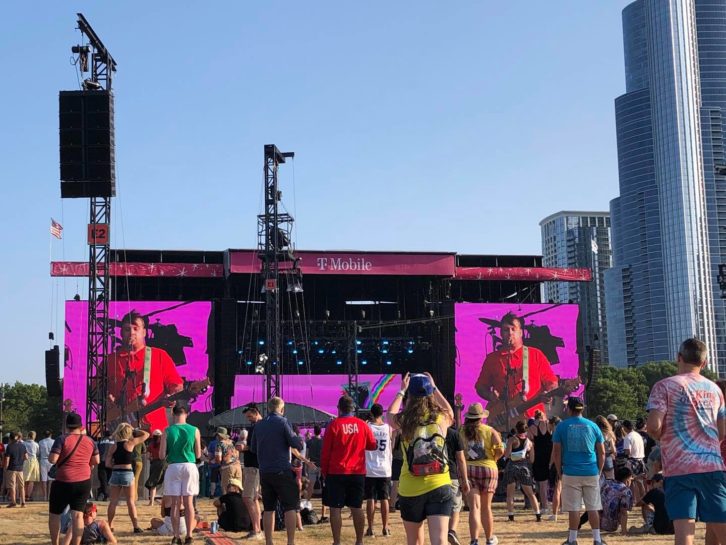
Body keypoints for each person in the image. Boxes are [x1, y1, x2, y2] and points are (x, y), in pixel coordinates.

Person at [646, 337, 726, 545]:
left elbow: (653, 426)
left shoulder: (664, 386)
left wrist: (661, 438)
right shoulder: (716, 390)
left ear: (679, 358)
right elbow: (722, 432)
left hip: (679, 467)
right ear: (704, 363)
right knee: (720, 525)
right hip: (711, 465)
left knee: (684, 531)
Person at [388, 372, 454, 545]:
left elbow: (390, 414)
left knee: (414, 541)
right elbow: (450, 412)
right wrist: (435, 387)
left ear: (411, 394)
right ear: (429, 393)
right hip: (439, 482)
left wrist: (401, 391)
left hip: (410, 487)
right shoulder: (441, 418)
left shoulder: (404, 421)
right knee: (440, 540)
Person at [474, 313, 558, 426]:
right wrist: (490, 396)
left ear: (521, 332)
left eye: (513, 329)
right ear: (501, 333)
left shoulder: (535, 355)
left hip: (532, 419)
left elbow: (552, 382)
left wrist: (548, 392)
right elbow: (480, 387)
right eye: (506, 330)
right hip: (502, 419)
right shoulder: (492, 359)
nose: (510, 333)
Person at [106, 310, 184, 432]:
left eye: (135, 328)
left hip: (154, 428)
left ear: (144, 332)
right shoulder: (110, 360)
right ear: (121, 333)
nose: (131, 332)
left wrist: (173, 394)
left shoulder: (159, 356)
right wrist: (107, 399)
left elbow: (176, 385)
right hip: (120, 430)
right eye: (127, 329)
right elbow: (95, 391)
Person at [321, 395, 377, 545]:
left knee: (335, 508)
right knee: (357, 507)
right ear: (353, 409)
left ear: (339, 409)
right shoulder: (363, 425)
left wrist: (325, 472)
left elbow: (326, 452)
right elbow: (373, 445)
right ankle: (359, 541)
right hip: (357, 472)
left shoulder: (333, 425)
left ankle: (337, 542)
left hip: (336, 471)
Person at [249, 396, 304, 545]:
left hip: (265, 472)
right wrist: (300, 440)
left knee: (268, 509)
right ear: (282, 409)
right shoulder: (283, 422)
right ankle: (290, 542)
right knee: (290, 507)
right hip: (282, 470)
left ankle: (269, 542)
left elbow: (253, 448)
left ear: (268, 408)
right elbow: (295, 443)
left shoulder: (259, 425)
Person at [552, 397, 606, 545]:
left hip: (570, 472)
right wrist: (599, 470)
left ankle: (573, 540)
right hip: (591, 470)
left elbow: (556, 453)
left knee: (573, 508)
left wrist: (559, 471)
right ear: (582, 409)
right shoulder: (593, 426)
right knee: (593, 507)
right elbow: (602, 452)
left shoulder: (561, 426)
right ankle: (597, 539)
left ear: (569, 409)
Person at [48, 412, 100, 545]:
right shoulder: (90, 441)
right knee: (77, 515)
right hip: (83, 482)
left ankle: (55, 543)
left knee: (55, 514)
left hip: (63, 481)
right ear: (81, 426)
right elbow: (96, 460)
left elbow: (52, 459)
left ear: (67, 426)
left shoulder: (61, 439)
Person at [460, 402, 503, 545]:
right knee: (486, 507)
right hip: (488, 469)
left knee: (474, 508)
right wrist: (494, 459)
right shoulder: (490, 430)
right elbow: (500, 450)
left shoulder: (461, 431)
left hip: (469, 469)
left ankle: (474, 540)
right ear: (481, 417)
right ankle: (490, 538)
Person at [161, 403, 202, 545]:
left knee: (175, 504)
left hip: (173, 467)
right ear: (187, 414)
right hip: (189, 465)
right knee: (188, 503)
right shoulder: (195, 430)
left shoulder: (167, 431)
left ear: (173, 413)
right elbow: (198, 454)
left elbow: (161, 455)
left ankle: (176, 536)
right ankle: (189, 536)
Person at [105, 423, 149, 533]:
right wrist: (134, 429)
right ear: (128, 433)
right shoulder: (130, 443)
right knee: (130, 501)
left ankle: (110, 525)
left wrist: (115, 466)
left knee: (113, 501)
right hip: (127, 473)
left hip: (115, 473)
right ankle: (135, 526)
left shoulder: (113, 446)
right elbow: (146, 434)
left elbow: (107, 464)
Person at [364, 403, 394, 538]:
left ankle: (370, 528)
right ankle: (385, 527)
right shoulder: (388, 428)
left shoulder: (368, 427)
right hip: (384, 468)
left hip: (370, 467)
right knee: (384, 499)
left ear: (371, 413)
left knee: (370, 498)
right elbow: (391, 446)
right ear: (382, 413)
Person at [579, 465, 633, 535]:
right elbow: (623, 512)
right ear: (627, 479)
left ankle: (579, 523)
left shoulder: (606, 484)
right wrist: (624, 531)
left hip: (597, 522)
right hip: (611, 526)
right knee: (625, 509)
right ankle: (623, 530)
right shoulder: (625, 491)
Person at [504, 420, 541, 522]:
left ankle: (511, 516)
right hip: (524, 467)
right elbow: (532, 460)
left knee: (510, 494)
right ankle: (538, 514)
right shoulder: (529, 443)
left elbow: (507, 455)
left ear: (516, 429)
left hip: (512, 467)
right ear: (526, 429)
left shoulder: (512, 439)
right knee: (530, 493)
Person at [238, 403, 264, 540]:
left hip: (254, 466)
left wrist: (243, 447)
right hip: (253, 466)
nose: (248, 419)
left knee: (247, 498)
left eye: (249, 416)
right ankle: (257, 528)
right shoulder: (257, 426)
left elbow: (255, 447)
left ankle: (256, 530)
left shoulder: (258, 427)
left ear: (255, 412)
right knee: (253, 499)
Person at [445, 421, 470, 545]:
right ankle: (452, 531)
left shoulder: (430, 431)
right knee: (455, 506)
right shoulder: (454, 434)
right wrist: (465, 480)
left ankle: (441, 532)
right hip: (451, 474)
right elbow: (460, 459)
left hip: (433, 476)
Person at [529, 410, 553, 514]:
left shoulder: (531, 428)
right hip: (549, 456)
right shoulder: (548, 424)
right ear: (543, 415)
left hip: (538, 457)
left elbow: (530, 443)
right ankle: (556, 505)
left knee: (541, 484)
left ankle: (544, 506)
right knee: (555, 483)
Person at [4, 431, 28, 507]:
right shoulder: (22, 446)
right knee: (21, 486)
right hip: (20, 468)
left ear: (10, 438)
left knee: (12, 486)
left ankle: (13, 502)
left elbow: (7, 459)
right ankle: (23, 502)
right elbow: (26, 457)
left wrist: (5, 468)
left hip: (11, 468)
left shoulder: (9, 446)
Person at [215, 427, 241, 492]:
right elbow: (238, 454)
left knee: (226, 490)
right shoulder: (233, 442)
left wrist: (216, 462)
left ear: (219, 435)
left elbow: (218, 459)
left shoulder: (219, 444)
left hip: (227, 468)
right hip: (238, 467)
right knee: (237, 489)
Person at [145, 429, 165, 505]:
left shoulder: (151, 445)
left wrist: (152, 458)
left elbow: (148, 456)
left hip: (154, 464)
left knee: (153, 483)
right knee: (164, 482)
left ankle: (151, 502)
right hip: (163, 463)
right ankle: (165, 501)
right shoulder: (163, 444)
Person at [594, 416, 617, 480]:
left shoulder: (595, 433)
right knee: (610, 480)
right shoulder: (609, 433)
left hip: (596, 458)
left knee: (598, 481)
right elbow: (613, 449)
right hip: (607, 458)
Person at [95, 430, 113, 501]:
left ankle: (101, 492)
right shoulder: (113, 441)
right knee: (108, 480)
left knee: (103, 480)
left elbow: (97, 450)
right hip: (110, 463)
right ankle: (104, 494)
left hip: (102, 462)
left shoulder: (100, 441)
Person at [23, 431, 40, 501]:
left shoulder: (24, 443)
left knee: (24, 480)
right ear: (34, 436)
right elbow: (38, 453)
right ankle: (28, 496)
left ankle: (23, 495)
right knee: (31, 480)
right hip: (33, 460)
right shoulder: (36, 444)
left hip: (25, 461)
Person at [39, 430, 55, 501]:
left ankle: (44, 496)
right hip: (51, 461)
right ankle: (50, 495)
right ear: (51, 435)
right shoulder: (54, 441)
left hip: (43, 460)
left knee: (44, 479)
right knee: (51, 479)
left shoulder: (40, 442)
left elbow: (38, 452)